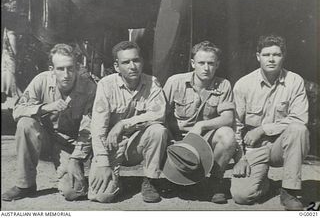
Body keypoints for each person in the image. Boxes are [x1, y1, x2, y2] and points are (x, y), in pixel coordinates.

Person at [1, 44, 97, 201]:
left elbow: (89, 128)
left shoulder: (89, 88)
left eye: (70, 68)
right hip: (44, 139)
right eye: (60, 69)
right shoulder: (41, 80)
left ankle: (72, 173)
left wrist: (76, 159)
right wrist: (45, 108)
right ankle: (25, 184)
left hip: (68, 145)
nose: (66, 74)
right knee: (25, 124)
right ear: (52, 69)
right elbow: (17, 110)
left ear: (78, 67)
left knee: (73, 192)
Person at [231, 34, 309, 210]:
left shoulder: (294, 81)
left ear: (284, 56)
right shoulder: (243, 84)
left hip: (280, 147)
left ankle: (289, 190)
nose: (271, 59)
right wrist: (240, 157)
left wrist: (263, 129)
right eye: (266, 55)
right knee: (242, 196)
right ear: (258, 56)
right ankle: (264, 182)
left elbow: (299, 118)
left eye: (276, 54)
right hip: (253, 148)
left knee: (298, 129)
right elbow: (236, 125)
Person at [88, 41, 169, 203]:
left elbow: (159, 113)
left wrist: (123, 123)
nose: (132, 66)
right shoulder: (106, 85)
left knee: (158, 130)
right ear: (117, 67)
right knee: (101, 196)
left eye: (136, 60)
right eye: (126, 62)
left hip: (136, 145)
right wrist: (103, 162)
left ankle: (150, 180)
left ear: (142, 62)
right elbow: (98, 127)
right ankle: (117, 180)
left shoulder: (152, 82)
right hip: (111, 145)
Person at [163, 40, 237, 204]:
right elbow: (161, 114)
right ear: (192, 63)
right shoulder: (175, 82)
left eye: (211, 63)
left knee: (227, 134)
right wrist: (168, 137)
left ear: (217, 64)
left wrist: (201, 125)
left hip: (204, 140)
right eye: (201, 63)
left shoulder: (223, 85)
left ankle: (215, 182)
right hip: (177, 139)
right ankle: (157, 180)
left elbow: (228, 118)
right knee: (156, 132)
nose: (206, 68)